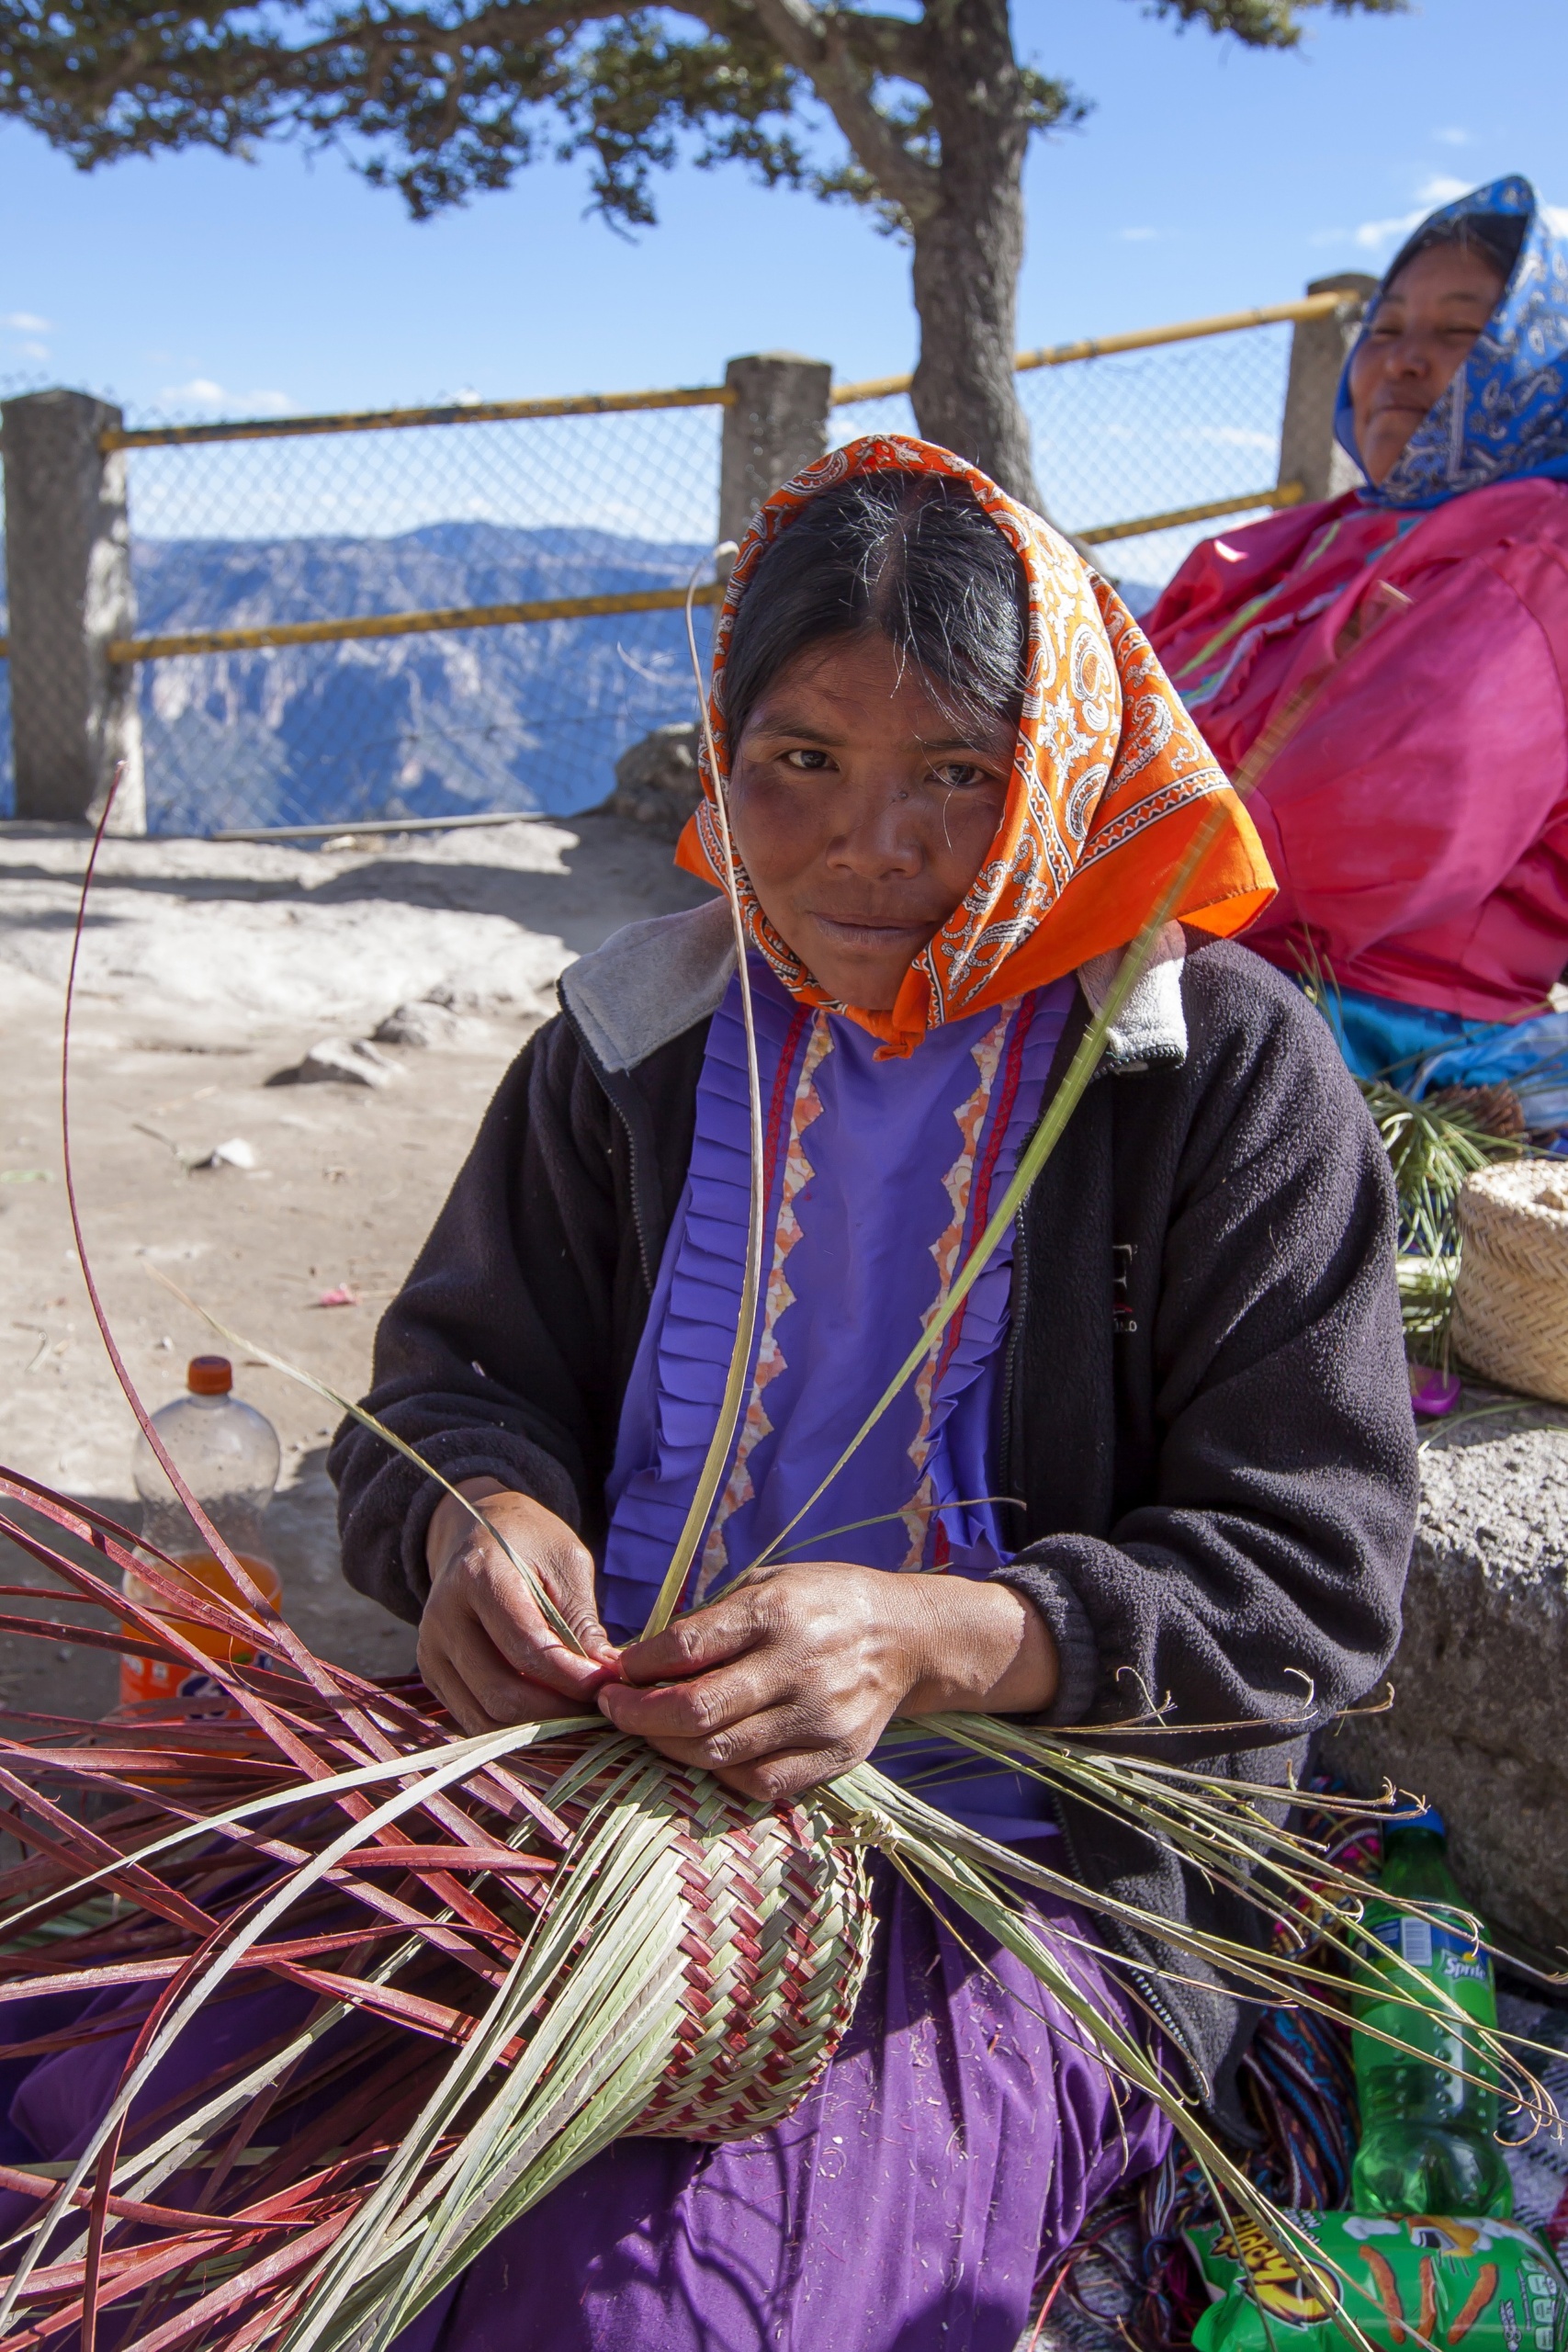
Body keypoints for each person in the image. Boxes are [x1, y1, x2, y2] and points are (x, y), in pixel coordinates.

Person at [322, 436, 1418, 2351]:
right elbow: (442, 1387)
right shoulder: (640, 1038)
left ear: (1063, 764)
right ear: (719, 764)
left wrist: (941, 1637)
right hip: (581, 1803)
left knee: (642, 2307)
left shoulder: (1213, 1075)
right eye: (798, 762)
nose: (870, 846)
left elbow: (1313, 1569)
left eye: (958, 776)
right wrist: (473, 1516)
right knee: (160, 2125)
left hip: (1015, 1867)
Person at [1145, 175, 1568, 1125]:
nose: (1405, 363)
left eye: (1460, 332)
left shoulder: (1537, 555)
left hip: (1374, 1026)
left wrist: (1083, 852)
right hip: (1189, 942)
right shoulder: (1311, 540)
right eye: (1386, 329)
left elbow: (1365, 813)